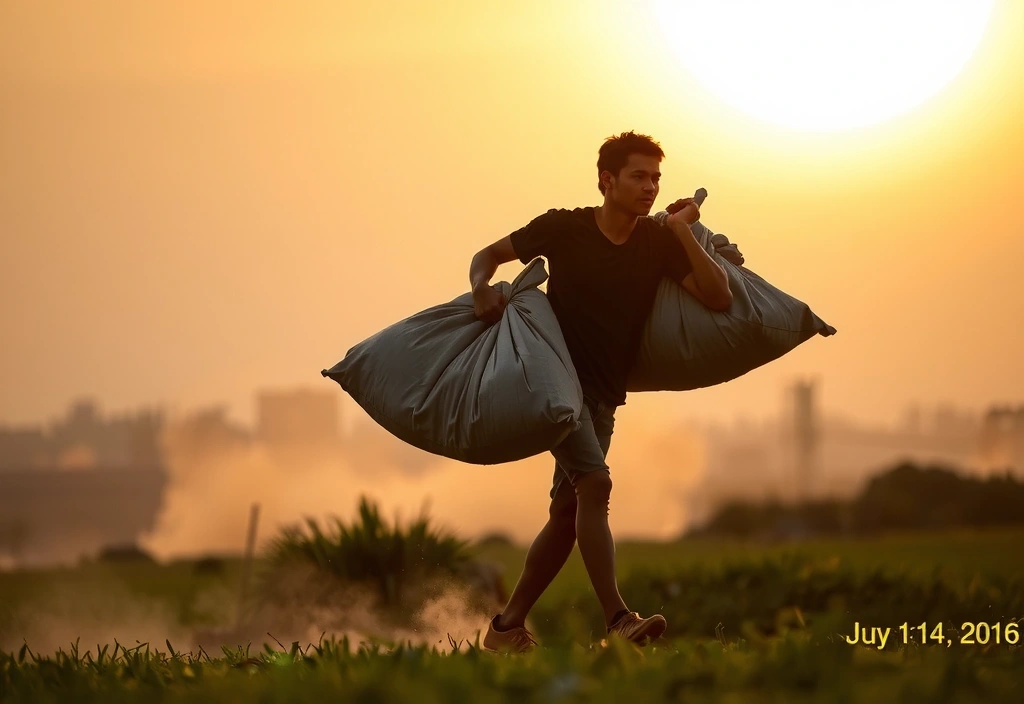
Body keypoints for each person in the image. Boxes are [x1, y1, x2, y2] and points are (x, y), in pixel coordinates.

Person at [468, 131, 735, 653]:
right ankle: (618, 617)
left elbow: (719, 296)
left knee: (567, 514)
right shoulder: (564, 227)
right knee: (596, 487)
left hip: (604, 398)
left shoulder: (656, 242)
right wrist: (481, 289)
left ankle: (505, 629)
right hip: (554, 386)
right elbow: (488, 255)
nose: (650, 187)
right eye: (639, 176)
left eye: (656, 178)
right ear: (606, 180)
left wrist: (681, 233)